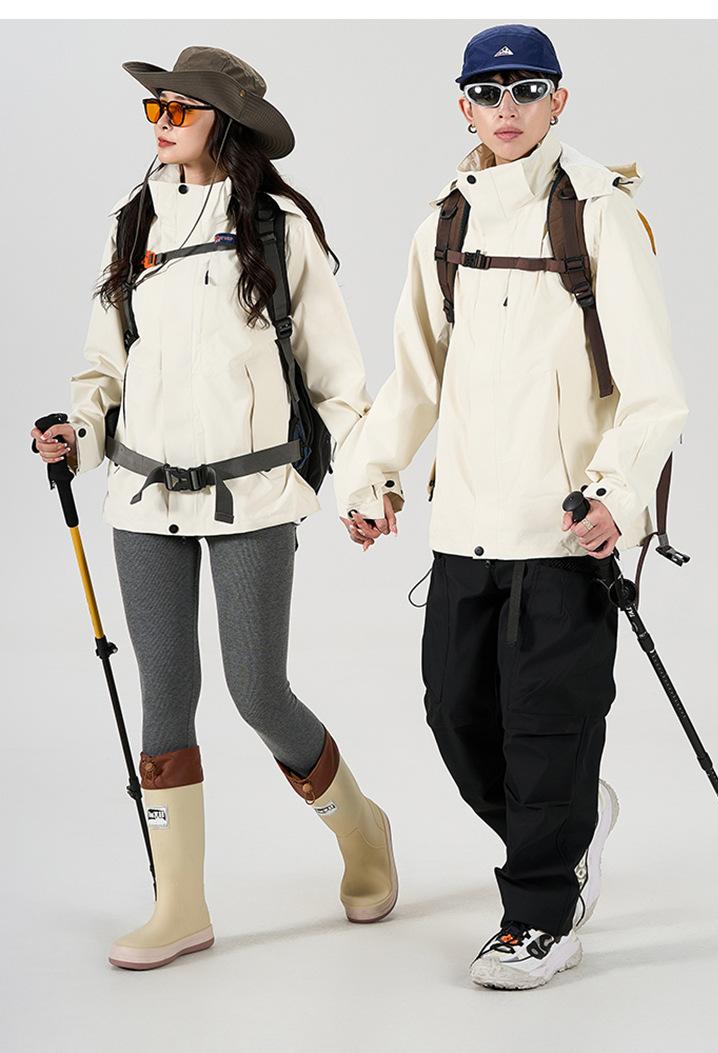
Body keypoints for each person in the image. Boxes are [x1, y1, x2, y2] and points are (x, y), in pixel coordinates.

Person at [336, 24, 688, 990]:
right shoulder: (443, 225)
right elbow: (415, 377)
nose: (506, 108)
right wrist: (373, 476)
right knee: (455, 713)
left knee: (546, 725)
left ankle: (538, 916)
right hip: (465, 526)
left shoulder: (601, 216)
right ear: (463, 106)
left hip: (566, 530)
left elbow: (654, 391)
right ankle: (570, 825)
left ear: (559, 99)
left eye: (526, 89)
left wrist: (616, 496)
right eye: (487, 93)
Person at [31, 46, 397, 971]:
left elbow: (338, 377)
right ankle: (180, 904)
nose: (160, 121)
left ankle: (363, 830)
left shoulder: (278, 227)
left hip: (256, 492)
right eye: (153, 107)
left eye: (178, 108)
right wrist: (77, 427)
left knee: (256, 689)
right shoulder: (132, 225)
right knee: (165, 690)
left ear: (223, 120)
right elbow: (103, 363)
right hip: (142, 492)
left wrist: (366, 483)